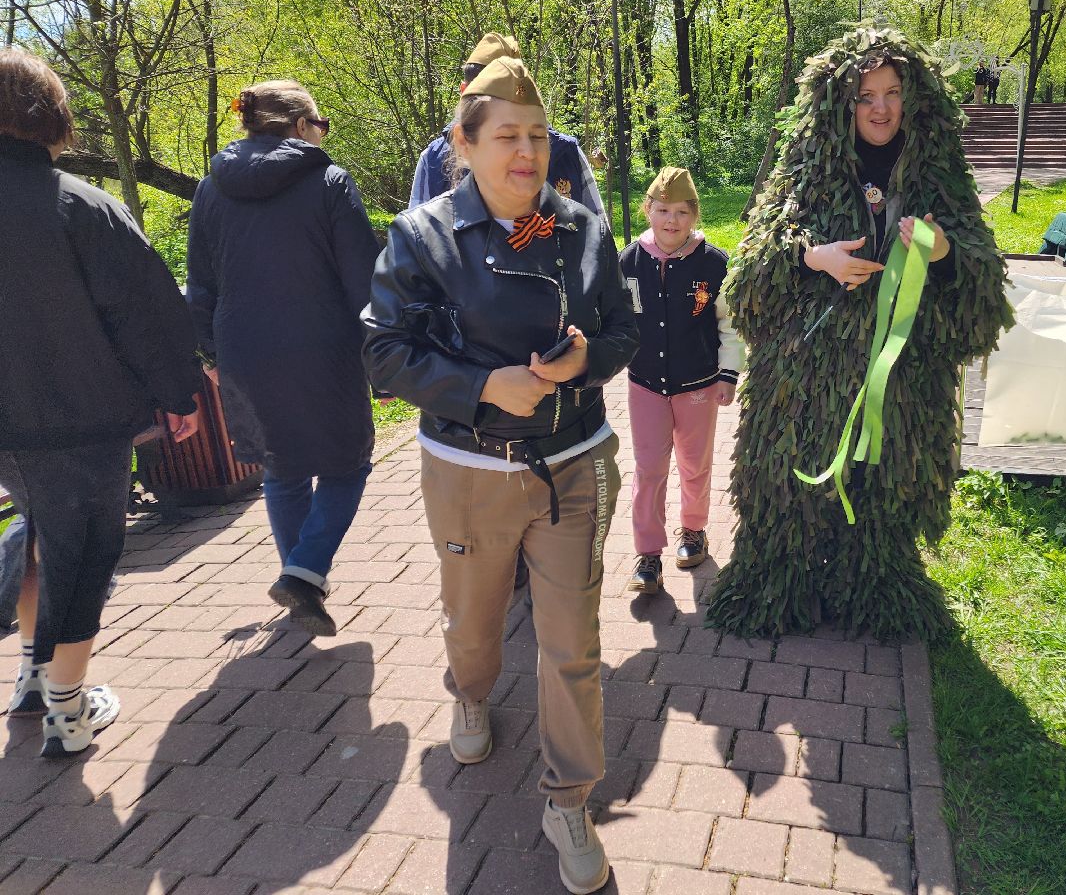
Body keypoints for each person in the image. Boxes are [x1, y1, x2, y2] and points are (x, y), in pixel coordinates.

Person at [362, 57, 637, 895]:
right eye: (509, 136)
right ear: (464, 144)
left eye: (539, 136)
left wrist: (590, 357)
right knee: (473, 621)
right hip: (468, 468)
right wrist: (483, 387)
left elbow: (622, 330)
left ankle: (569, 799)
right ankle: (472, 693)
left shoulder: (584, 230)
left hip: (573, 466)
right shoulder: (422, 236)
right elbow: (381, 351)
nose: (528, 153)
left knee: (573, 644)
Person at [706, 25, 1011, 642]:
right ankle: (780, 581)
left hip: (900, 377)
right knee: (791, 480)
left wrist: (946, 252)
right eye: (866, 95)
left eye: (892, 92)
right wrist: (812, 259)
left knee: (882, 484)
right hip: (806, 374)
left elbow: (985, 286)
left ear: (911, 98)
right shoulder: (804, 168)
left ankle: (877, 583)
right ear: (840, 103)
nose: (880, 107)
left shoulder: (936, 174)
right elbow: (748, 274)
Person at [0, 47, 202, 757]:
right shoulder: (82, 206)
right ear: (48, 116)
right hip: (81, 423)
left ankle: (31, 676)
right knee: (84, 552)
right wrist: (177, 392)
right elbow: (145, 312)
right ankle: (67, 710)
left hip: (8, 433)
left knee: (38, 535)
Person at [187, 80, 381, 637]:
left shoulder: (210, 188)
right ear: (299, 127)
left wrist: (213, 353)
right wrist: (383, 352)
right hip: (323, 346)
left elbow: (199, 285)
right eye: (319, 125)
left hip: (243, 348)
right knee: (349, 462)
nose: (322, 136)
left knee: (282, 465)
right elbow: (363, 280)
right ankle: (305, 570)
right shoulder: (328, 182)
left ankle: (301, 577)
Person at [618, 166, 744, 596]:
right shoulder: (630, 261)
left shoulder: (714, 263)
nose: (671, 220)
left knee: (695, 465)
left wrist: (728, 373)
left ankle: (693, 531)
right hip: (645, 385)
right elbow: (618, 318)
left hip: (699, 386)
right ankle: (648, 554)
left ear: (694, 214)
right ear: (647, 210)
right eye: (662, 210)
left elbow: (729, 325)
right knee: (648, 469)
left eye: (681, 212)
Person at [408, 32, 606, 226]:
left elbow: (599, 239)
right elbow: (420, 245)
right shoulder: (433, 160)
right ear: (464, 92)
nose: (527, 153)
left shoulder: (567, 152)